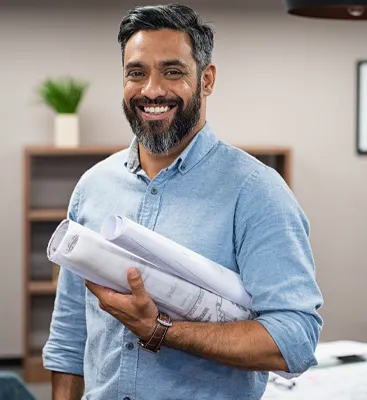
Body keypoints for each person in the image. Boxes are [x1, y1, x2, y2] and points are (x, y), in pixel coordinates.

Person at [42, 4, 323, 400]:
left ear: (206, 80)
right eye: (136, 73)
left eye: (172, 72)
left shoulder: (257, 191)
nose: (152, 90)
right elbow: (70, 334)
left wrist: (162, 330)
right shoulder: (93, 185)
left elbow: (294, 340)